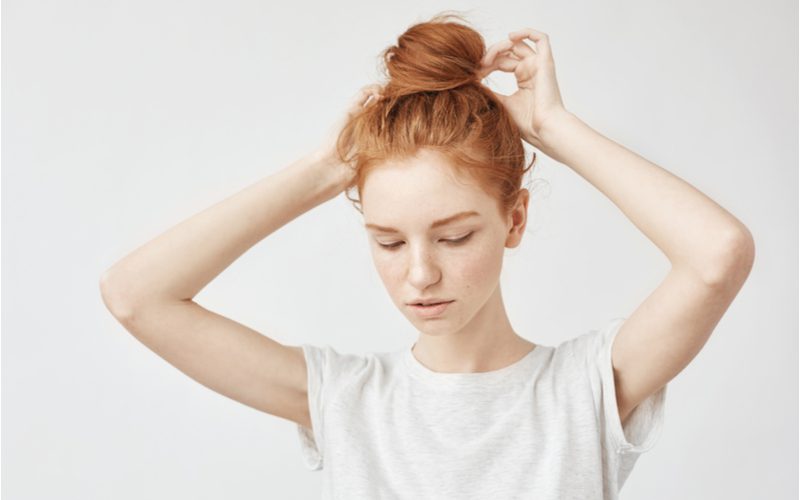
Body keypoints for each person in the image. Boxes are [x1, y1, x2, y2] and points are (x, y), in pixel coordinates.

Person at [99, 12, 755, 500]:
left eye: (454, 236)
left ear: (515, 219)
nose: (419, 273)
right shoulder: (346, 401)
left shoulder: (582, 391)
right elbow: (134, 296)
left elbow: (717, 255)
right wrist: (323, 169)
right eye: (388, 241)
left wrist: (554, 127)